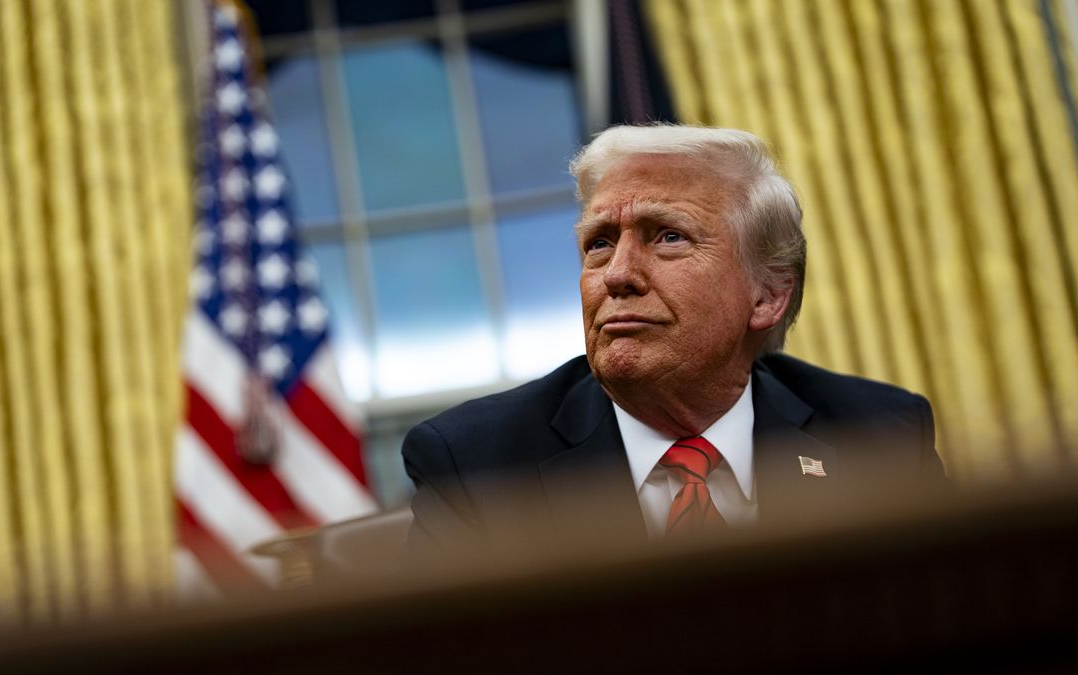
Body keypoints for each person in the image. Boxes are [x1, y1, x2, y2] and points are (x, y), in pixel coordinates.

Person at [401, 124, 947, 558]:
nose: (618, 275)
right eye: (599, 244)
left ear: (767, 297)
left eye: (668, 236)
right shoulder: (476, 467)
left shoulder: (880, 437)